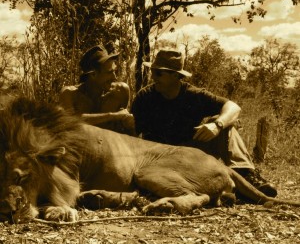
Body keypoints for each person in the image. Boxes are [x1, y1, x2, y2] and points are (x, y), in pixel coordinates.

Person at [131, 49, 277, 197]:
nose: (153, 77)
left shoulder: (193, 95)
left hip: (190, 155)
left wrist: (217, 125)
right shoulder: (144, 97)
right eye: (153, 71)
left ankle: (246, 175)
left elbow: (233, 107)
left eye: (159, 73)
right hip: (157, 159)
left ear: (175, 75)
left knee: (225, 126)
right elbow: (131, 135)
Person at [59, 45, 135, 134]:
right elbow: (71, 122)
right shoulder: (69, 94)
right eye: (109, 72)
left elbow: (127, 131)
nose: (114, 77)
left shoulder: (121, 91)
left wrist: (129, 124)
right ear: (93, 74)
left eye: (114, 71)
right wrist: (112, 116)